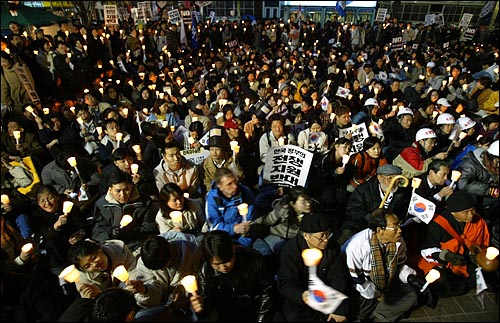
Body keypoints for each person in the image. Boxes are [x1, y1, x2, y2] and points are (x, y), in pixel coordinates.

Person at [342, 208, 419, 322]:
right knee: (359, 303)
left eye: (399, 225)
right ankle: (372, 312)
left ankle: (378, 316)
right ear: (380, 230)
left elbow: (399, 266)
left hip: (387, 282)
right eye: (394, 227)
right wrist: (377, 294)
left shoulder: (398, 241)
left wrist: (410, 277)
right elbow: (356, 280)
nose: (399, 230)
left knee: (411, 295)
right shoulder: (356, 246)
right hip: (362, 287)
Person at [414, 191, 491, 298]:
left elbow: (481, 243)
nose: (471, 214)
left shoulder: (477, 221)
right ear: (453, 212)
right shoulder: (436, 224)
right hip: (443, 261)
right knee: (443, 282)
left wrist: (475, 255)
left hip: (465, 258)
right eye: (466, 212)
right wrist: (446, 256)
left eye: (473, 209)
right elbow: (427, 248)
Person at [187, 230, 275, 322]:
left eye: (227, 261)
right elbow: (207, 298)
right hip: (224, 307)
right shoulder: (206, 269)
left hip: (253, 305)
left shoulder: (253, 259)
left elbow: (267, 293)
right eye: (216, 265)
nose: (223, 267)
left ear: (233, 249)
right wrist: (200, 308)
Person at [277, 212, 351, 322]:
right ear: (306, 236)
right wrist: (302, 295)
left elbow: (337, 278)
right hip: (302, 293)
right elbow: (286, 282)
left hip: (326, 293)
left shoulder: (332, 247)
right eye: (321, 236)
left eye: (328, 234)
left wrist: (338, 309)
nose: (326, 240)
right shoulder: (291, 250)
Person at [340, 164, 411, 245]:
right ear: (379, 178)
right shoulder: (364, 189)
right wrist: (370, 218)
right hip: (362, 224)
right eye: (390, 178)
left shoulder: (402, 194)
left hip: (387, 227)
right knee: (348, 236)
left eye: (397, 179)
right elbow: (352, 210)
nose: (393, 182)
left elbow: (402, 213)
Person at [128, 234, 197, 316]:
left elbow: (202, 282)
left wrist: (184, 290)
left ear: (170, 254)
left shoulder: (192, 252)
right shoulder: (146, 261)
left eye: (163, 267)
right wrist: (145, 290)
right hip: (164, 305)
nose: (161, 270)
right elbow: (155, 290)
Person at [91, 171, 159, 253]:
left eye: (126, 190)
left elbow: (150, 227)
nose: (123, 195)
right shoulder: (101, 205)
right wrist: (111, 233)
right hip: (111, 246)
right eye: (118, 191)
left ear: (131, 187)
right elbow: (97, 231)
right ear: (110, 190)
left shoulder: (145, 203)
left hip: (138, 246)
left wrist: (130, 232)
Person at [252, 186, 314, 256]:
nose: (308, 204)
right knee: (283, 247)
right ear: (293, 203)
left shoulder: (313, 212)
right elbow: (267, 221)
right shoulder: (282, 209)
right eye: (303, 202)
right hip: (276, 235)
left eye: (309, 200)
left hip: (296, 239)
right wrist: (251, 225)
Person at [67, 238, 137, 300]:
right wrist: (96, 296)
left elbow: (134, 270)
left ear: (100, 248)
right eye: (88, 266)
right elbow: (94, 302)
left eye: (94, 258)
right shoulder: (81, 278)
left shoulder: (118, 249)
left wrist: (132, 286)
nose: (94, 265)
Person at [205, 167, 255, 247]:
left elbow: (249, 221)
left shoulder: (246, 193)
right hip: (222, 238)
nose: (235, 186)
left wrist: (242, 244)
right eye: (229, 184)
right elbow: (213, 226)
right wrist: (233, 229)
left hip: (245, 237)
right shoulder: (212, 197)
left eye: (235, 181)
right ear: (220, 186)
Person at [457, 140, 499, 225]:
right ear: (493, 158)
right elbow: (462, 184)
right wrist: (489, 191)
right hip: (472, 196)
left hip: (487, 189)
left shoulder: (491, 164)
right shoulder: (471, 164)